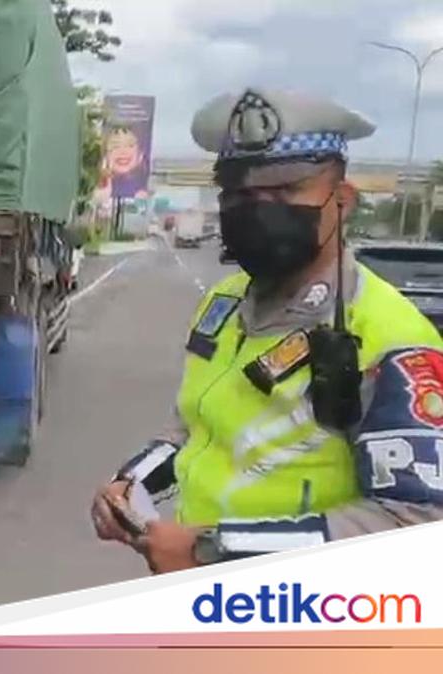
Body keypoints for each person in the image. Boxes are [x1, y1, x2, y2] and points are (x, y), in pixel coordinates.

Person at [90, 87, 443, 572]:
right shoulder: (223, 302)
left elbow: (415, 521)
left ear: (341, 200)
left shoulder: (393, 337)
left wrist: (211, 550)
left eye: (285, 191)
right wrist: (130, 482)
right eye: (239, 194)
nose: (258, 210)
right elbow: (193, 429)